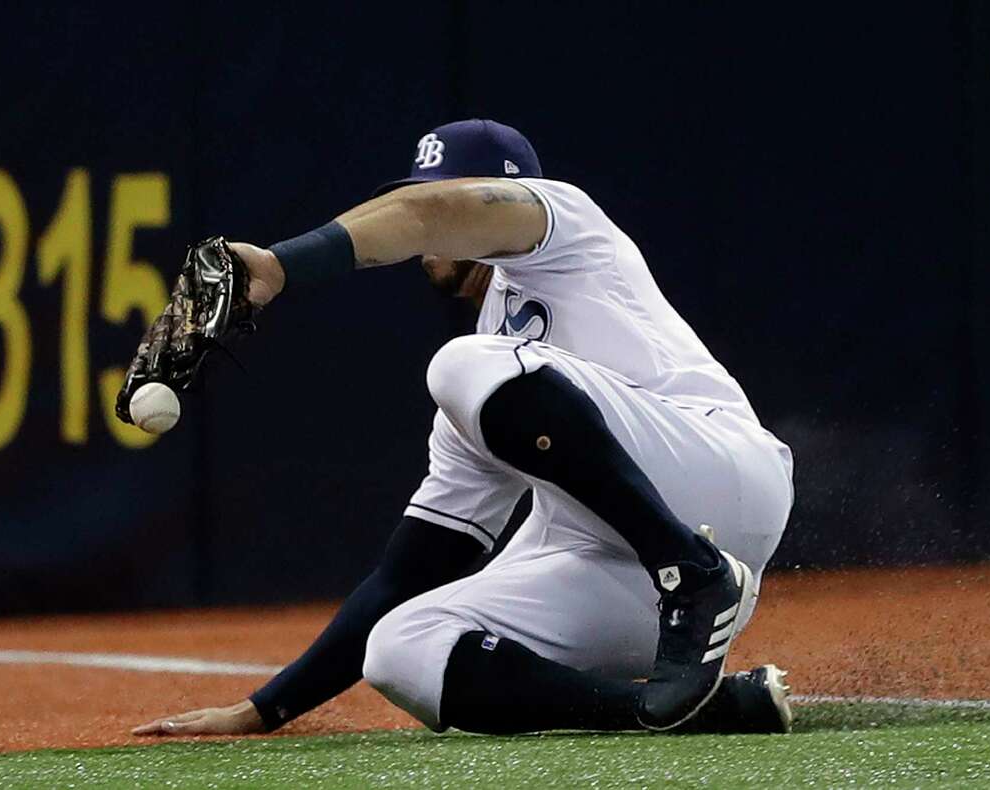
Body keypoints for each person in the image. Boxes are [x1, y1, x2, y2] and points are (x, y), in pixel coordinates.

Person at [134, 119, 795, 738]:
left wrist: (279, 265)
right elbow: (410, 572)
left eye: (446, 192)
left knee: (462, 366)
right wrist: (264, 709)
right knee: (399, 647)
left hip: (719, 468)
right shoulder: (489, 385)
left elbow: (427, 215)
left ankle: (695, 574)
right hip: (622, 576)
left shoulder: (566, 225)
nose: (425, 225)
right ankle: (684, 709)